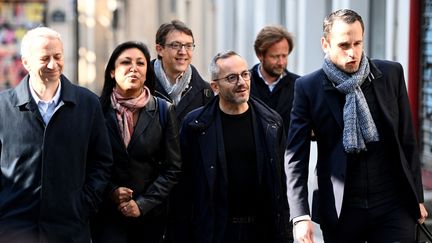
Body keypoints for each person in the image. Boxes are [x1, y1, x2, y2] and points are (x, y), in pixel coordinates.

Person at [285, 9, 428, 243]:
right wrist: (300, 215)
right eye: (344, 45)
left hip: (393, 205)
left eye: (358, 43)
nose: (353, 53)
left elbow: (407, 139)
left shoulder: (391, 73)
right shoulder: (308, 88)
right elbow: (295, 156)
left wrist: (417, 197)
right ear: (325, 44)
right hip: (341, 210)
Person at [0, 27, 113, 243]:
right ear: (26, 63)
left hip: (69, 230)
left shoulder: (88, 104)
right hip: (13, 231)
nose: (53, 65)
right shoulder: (2, 108)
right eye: (44, 58)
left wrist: (83, 205)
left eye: (58, 56)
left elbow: (101, 162)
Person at [175, 50, 290, 243]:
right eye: (231, 77)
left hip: (262, 231)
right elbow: (183, 187)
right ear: (215, 86)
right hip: (215, 231)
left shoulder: (271, 122)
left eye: (245, 74)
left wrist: (286, 234)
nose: (242, 83)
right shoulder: (195, 125)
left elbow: (282, 182)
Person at [90, 41, 182, 243]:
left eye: (140, 63)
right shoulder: (95, 110)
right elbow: (87, 162)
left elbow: (173, 168)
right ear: (112, 72)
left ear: (147, 72)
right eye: (126, 62)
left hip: (149, 219)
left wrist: (142, 204)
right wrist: (111, 191)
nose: (134, 68)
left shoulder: (164, 110)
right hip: (105, 217)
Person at [153, 19, 213, 123]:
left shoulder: (205, 92)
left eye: (189, 46)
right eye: (175, 45)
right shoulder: (142, 87)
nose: (183, 52)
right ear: (160, 50)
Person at [250, 25, 299, 136]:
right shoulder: (244, 83)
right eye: (275, 56)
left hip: (287, 153)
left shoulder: (299, 85)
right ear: (260, 55)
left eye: (284, 56)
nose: (281, 62)